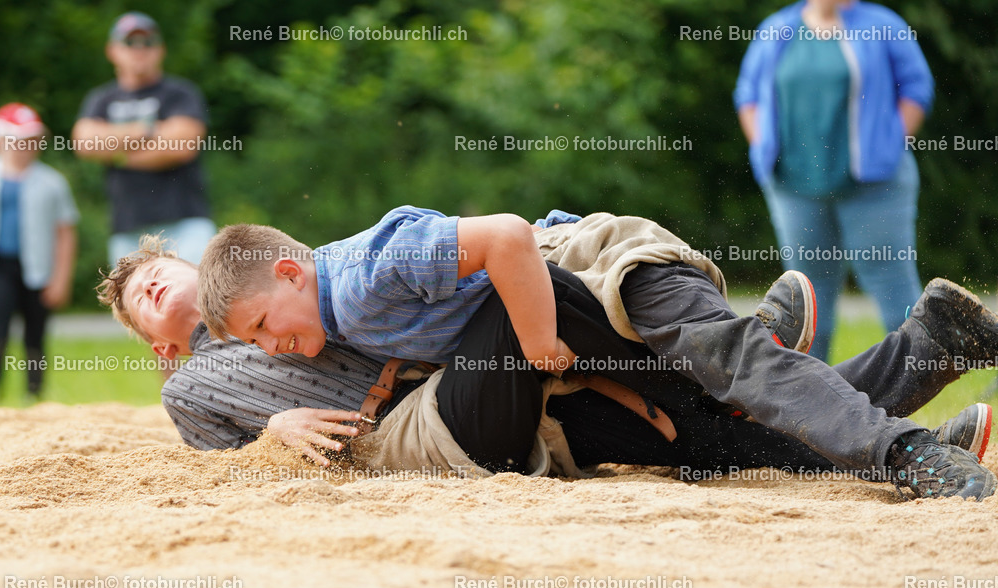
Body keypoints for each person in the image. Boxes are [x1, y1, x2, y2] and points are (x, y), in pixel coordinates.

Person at [195, 207, 997, 500]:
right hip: (576, 322)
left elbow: (510, 239)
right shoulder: (336, 311)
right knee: (712, 427)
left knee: (735, 373)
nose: (272, 347)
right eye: (257, 343)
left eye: (264, 324)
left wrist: (540, 342)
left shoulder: (365, 275)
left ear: (292, 272)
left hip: (604, 269)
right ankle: (926, 348)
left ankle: (906, 450)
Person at [735, 0, 933, 360]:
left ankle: (921, 377)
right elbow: (748, 97)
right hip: (793, 184)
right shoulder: (777, 29)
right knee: (806, 298)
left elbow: (916, 89)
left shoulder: (881, 24)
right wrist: (762, 144)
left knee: (894, 288)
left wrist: (890, 145)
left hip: (876, 183)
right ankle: (814, 395)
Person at [72, 11, 214, 266]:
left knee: (200, 302)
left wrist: (114, 151)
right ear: (112, 50)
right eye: (130, 42)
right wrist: (148, 130)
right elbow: (84, 143)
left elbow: (181, 146)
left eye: (148, 42)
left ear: (161, 49)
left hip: (186, 225)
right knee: (132, 305)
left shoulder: (181, 93)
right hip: (127, 231)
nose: (140, 50)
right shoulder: (100, 99)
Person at [0, 103, 78, 402]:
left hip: (38, 269)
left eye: (30, 142)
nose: (24, 148)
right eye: (17, 141)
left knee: (36, 337)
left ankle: (34, 396)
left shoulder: (52, 182)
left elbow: (65, 232)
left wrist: (60, 279)